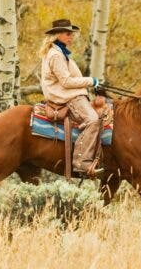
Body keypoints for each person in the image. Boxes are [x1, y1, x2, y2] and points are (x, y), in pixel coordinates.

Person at [39, 19, 103, 178]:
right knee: (93, 120)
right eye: (68, 33)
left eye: (71, 34)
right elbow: (66, 82)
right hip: (68, 97)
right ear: (57, 35)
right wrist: (91, 81)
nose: (71, 37)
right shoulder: (56, 55)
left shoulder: (59, 52)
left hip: (70, 94)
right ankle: (82, 163)